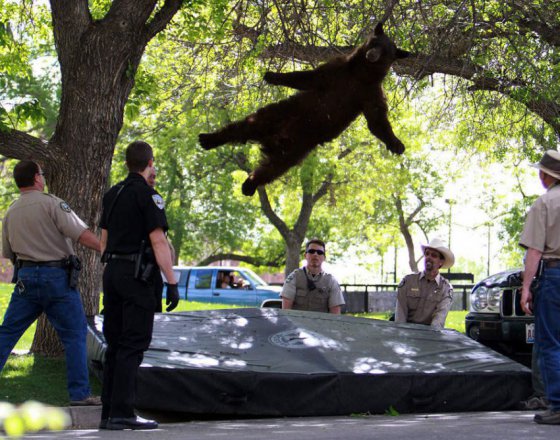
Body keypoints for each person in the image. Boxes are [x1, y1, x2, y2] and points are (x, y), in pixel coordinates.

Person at [0, 160, 101, 406]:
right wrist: (105, 248)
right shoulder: (52, 203)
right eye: (42, 174)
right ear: (36, 178)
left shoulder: (11, 212)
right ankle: (80, 394)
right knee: (75, 335)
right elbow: (80, 234)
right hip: (57, 279)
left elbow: (7, 254)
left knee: (7, 334)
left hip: (25, 279)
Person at [99, 141, 179, 430]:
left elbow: (104, 243)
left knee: (115, 344)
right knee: (133, 344)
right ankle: (124, 412)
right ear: (150, 163)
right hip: (137, 276)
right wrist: (171, 281)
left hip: (113, 273)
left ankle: (108, 413)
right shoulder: (148, 196)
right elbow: (158, 241)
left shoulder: (112, 194)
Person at [519, 150, 560, 425]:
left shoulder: (544, 203)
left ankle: (557, 404)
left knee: (551, 343)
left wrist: (526, 287)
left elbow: (534, 250)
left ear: (546, 176)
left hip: (555, 277)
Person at [394, 238, 454, 329]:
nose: (429, 257)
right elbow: (400, 317)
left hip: (429, 337)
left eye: (434, 255)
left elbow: (438, 322)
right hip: (406, 333)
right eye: (427, 254)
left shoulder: (446, 289)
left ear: (440, 263)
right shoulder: (407, 282)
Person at [281, 239, 345, 314]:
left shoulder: (331, 281)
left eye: (320, 252)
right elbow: (286, 311)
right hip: (298, 325)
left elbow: (335, 315)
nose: (315, 254)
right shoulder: (294, 277)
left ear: (324, 257)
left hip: (321, 325)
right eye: (311, 251)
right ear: (305, 255)